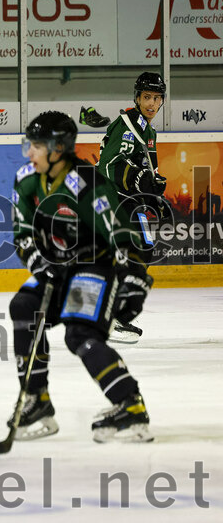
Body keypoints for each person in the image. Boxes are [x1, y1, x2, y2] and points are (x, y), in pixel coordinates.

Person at [9, 110, 153, 443]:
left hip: (94, 268)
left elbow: (120, 234)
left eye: (36, 146)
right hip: (57, 269)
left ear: (58, 148)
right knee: (23, 307)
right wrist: (39, 264)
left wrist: (133, 281)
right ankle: (37, 400)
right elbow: (23, 233)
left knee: (79, 335)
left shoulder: (87, 183)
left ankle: (129, 405)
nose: (29, 152)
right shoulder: (27, 179)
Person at [96, 72, 165, 336]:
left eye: (156, 98)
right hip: (113, 199)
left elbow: (148, 170)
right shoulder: (129, 123)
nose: (151, 103)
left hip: (129, 202)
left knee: (143, 251)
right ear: (137, 98)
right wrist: (142, 181)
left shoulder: (148, 130)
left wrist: (153, 195)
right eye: (147, 97)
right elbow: (111, 165)